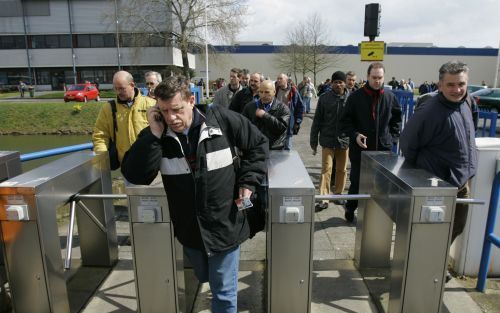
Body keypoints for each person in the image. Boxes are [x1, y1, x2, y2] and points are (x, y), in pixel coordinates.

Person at [120, 76, 269, 313]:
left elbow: (258, 145)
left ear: (191, 101)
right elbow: (136, 174)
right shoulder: (158, 135)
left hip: (224, 225)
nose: (171, 117)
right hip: (189, 230)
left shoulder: (222, 121)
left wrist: (248, 180)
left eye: (176, 109)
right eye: (164, 110)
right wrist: (154, 135)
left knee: (224, 294)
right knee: (204, 275)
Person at [400, 61, 477, 283]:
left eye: (461, 84)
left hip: (461, 182)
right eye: (451, 84)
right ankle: (423, 270)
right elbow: (407, 142)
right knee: (432, 231)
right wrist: (423, 175)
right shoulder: (430, 110)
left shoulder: (467, 102)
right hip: (438, 184)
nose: (457, 89)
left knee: (458, 226)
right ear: (440, 85)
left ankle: (435, 261)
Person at [339, 62, 402, 223]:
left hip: (383, 150)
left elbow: (396, 120)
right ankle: (350, 208)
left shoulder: (390, 97)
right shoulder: (355, 97)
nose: (377, 81)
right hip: (360, 150)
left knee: (382, 185)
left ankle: (377, 215)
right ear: (367, 77)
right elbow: (345, 122)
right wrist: (355, 135)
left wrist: (392, 138)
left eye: (380, 77)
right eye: (374, 77)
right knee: (357, 182)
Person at [92, 70, 156, 167]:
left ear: (132, 85)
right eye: (116, 89)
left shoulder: (151, 104)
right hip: (127, 166)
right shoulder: (108, 108)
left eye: (122, 88)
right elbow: (100, 135)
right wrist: (102, 156)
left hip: (153, 163)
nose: (118, 92)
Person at [310, 71, 350, 212]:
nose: (338, 84)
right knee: (326, 169)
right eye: (335, 82)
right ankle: (323, 198)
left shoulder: (350, 98)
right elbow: (317, 121)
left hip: (344, 140)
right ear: (331, 83)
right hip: (327, 140)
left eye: (340, 82)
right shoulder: (324, 98)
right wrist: (313, 141)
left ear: (345, 83)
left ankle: (338, 194)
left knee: (342, 169)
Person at [242, 80, 290, 150]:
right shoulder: (250, 107)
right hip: (255, 148)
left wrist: (265, 115)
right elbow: (243, 127)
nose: (263, 95)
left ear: (274, 92)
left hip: (275, 149)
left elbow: (281, 127)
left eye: (267, 92)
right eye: (261, 92)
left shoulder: (283, 108)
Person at [275, 73, 304, 150]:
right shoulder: (275, 90)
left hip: (288, 123)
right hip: (276, 122)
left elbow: (300, 107)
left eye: (280, 78)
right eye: (278, 78)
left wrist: (297, 122)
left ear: (286, 80)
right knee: (276, 148)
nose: (278, 80)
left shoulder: (293, 91)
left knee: (288, 147)